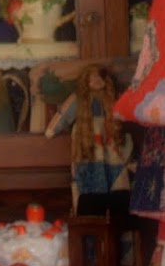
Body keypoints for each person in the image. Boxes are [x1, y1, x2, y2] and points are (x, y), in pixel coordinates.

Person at [45, 64, 134, 210]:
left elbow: (128, 110)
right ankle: (88, 212)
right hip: (87, 145)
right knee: (87, 175)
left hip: (110, 146)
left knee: (116, 176)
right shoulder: (78, 99)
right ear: (85, 81)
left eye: (99, 77)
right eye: (92, 77)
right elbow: (64, 115)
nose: (96, 80)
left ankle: (117, 212)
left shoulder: (112, 98)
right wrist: (52, 129)